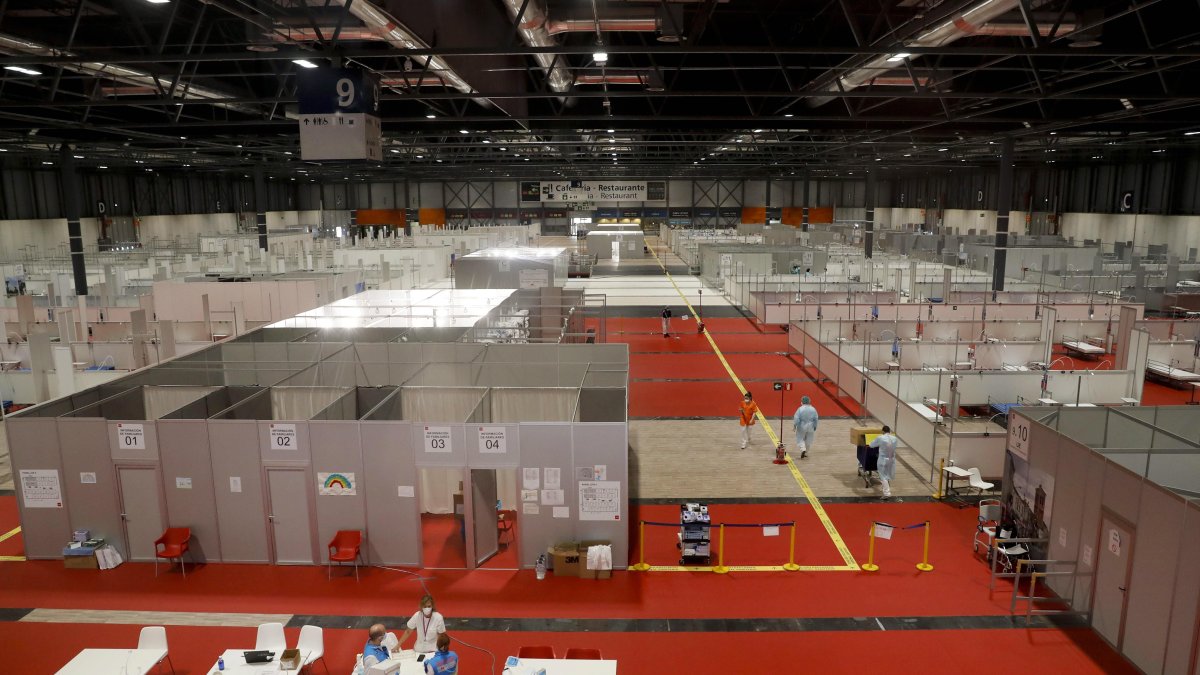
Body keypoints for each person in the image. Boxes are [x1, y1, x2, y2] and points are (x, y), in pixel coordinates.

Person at [870, 426, 899, 499]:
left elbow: (871, 445)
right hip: (891, 459)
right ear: (889, 431)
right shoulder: (895, 438)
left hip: (883, 459)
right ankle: (887, 489)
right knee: (888, 475)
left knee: (883, 476)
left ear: (883, 431)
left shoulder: (880, 438)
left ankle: (887, 493)